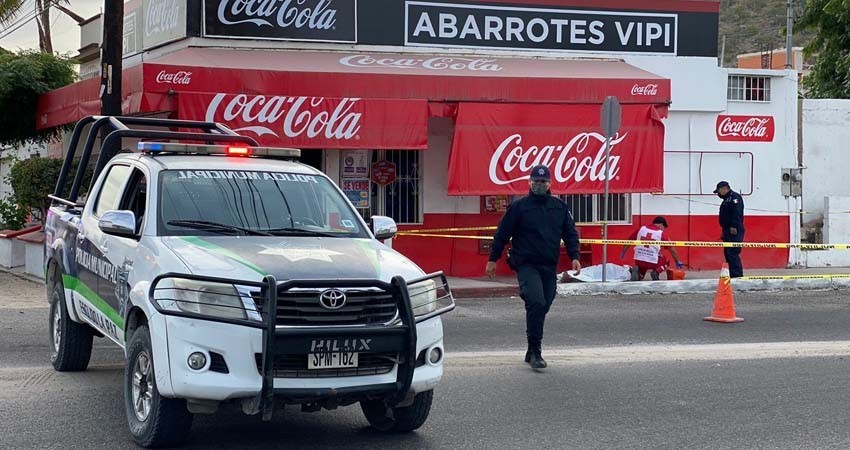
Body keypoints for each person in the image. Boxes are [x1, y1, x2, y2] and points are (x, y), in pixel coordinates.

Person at [485, 164, 582, 370]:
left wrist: (575, 256)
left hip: (548, 265)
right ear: (529, 182)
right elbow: (502, 234)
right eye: (536, 182)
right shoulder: (519, 207)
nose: (539, 185)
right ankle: (536, 351)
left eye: (543, 182)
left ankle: (531, 350)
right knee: (537, 303)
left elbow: (570, 233)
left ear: (550, 184)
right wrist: (493, 259)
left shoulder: (559, 207)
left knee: (544, 304)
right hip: (527, 264)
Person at [620, 216, 683, 281]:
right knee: (666, 261)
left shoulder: (641, 229)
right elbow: (672, 249)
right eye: (664, 227)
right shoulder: (661, 234)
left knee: (641, 273)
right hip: (652, 262)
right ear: (661, 224)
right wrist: (677, 261)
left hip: (639, 260)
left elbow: (629, 241)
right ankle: (656, 272)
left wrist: (623, 252)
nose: (663, 229)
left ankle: (639, 273)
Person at [714, 180, 745, 278]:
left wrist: (733, 226)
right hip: (727, 230)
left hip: (734, 230)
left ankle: (737, 275)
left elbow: (737, 213)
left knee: (733, 252)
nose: (718, 194)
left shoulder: (734, 198)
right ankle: (731, 274)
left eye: (719, 191)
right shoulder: (727, 199)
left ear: (724, 189)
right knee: (728, 253)